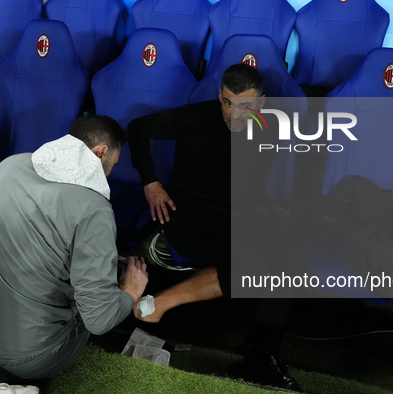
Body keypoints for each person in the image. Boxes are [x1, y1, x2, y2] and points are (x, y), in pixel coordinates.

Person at [127, 64, 303, 391]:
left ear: (261, 103)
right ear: (219, 97)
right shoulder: (197, 117)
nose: (234, 114)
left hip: (235, 215)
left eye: (245, 106)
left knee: (287, 256)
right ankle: (154, 307)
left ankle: (260, 357)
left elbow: (231, 179)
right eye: (227, 102)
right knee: (248, 264)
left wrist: (255, 207)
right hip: (189, 216)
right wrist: (151, 183)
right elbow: (138, 128)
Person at [0, 115, 149, 382]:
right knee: (96, 303)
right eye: (111, 165)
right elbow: (100, 320)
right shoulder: (94, 208)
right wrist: (130, 291)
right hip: (28, 361)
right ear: (100, 153)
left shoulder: (9, 165)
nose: (110, 173)